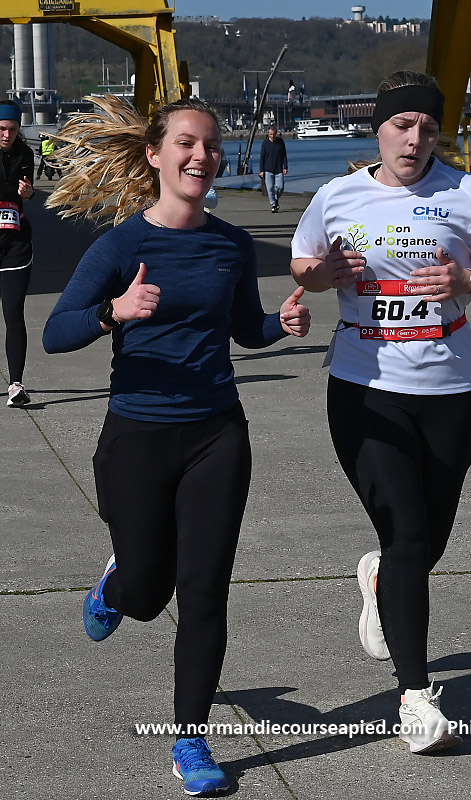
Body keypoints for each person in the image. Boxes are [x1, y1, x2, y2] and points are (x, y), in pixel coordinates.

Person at [42, 94, 310, 795]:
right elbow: (56, 332)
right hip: (137, 436)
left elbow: (245, 329)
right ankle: (116, 583)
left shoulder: (232, 244)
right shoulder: (121, 245)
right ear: (156, 155)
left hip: (217, 434)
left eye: (211, 145)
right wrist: (113, 312)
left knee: (205, 592)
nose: (202, 156)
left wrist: (279, 324)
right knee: (146, 593)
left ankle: (190, 739)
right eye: (187, 143)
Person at [290, 71, 471, 755]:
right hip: (365, 388)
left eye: (427, 127)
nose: (414, 139)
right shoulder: (338, 195)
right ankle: (416, 697)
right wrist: (323, 277)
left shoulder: (466, 192)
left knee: (427, 544)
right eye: (401, 125)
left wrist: (469, 280)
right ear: (379, 128)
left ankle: (379, 577)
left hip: (450, 388)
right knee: (410, 536)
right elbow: (304, 264)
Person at [0, 99, 35, 407]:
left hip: (15, 245)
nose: (6, 135)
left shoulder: (25, 154)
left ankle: (16, 385)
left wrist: (29, 193)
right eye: (1, 129)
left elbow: (29, 191)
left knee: (13, 313)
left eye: (12, 129)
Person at [259, 125, 288, 212]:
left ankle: (276, 198)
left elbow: (284, 155)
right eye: (271, 134)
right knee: (270, 188)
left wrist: (285, 167)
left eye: (274, 134)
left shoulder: (280, 142)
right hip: (268, 169)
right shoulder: (265, 143)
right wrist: (261, 170)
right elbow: (262, 157)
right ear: (268, 134)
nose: (272, 136)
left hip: (279, 168)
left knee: (280, 187)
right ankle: (273, 204)